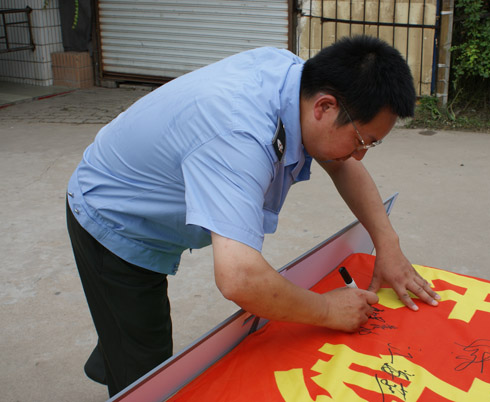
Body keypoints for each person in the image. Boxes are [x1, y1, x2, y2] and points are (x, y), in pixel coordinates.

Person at [66, 35, 440, 397]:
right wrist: (328, 309)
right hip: (114, 214)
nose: (360, 155)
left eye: (371, 144)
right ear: (324, 107)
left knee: (128, 329)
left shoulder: (295, 82)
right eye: (361, 141)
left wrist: (388, 244)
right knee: (148, 369)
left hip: (149, 180)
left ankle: (116, 343)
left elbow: (340, 161)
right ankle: (121, 357)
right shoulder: (239, 136)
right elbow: (240, 279)